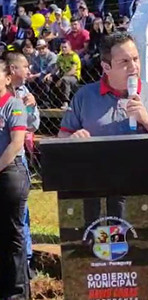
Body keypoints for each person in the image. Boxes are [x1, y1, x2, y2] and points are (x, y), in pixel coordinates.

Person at [58, 32, 148, 226]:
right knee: (97, 249)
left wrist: (147, 120)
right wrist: (73, 139)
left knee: (136, 250)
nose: (134, 67)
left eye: (135, 59)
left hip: (141, 197)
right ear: (106, 67)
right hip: (95, 194)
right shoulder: (84, 96)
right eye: (124, 61)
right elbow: (63, 135)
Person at [0, 59, 31, 299]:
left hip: (10, 172)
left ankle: (18, 293)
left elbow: (16, 143)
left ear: (8, 78)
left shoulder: (14, 105)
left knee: (12, 235)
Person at [46, 40, 81, 109]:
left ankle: (65, 102)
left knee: (65, 80)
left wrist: (61, 79)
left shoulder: (74, 56)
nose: (63, 49)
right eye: (62, 47)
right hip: (62, 76)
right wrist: (49, 74)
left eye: (65, 47)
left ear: (70, 47)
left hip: (73, 77)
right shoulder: (60, 56)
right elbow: (56, 68)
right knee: (49, 80)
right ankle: (49, 102)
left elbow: (72, 71)